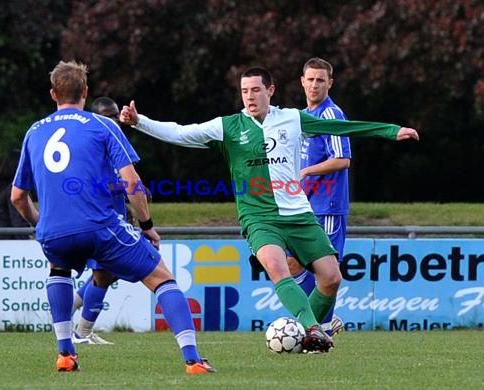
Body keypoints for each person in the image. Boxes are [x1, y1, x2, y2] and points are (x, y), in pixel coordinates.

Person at [120, 66, 419, 353]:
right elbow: (180, 133)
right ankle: (314, 329)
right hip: (258, 218)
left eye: (255, 90)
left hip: (298, 215)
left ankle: (306, 335)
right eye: (244, 91)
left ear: (270, 90)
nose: (249, 96)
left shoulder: (292, 119)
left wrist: (391, 131)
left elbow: (340, 127)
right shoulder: (228, 127)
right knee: (278, 270)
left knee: (331, 278)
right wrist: (139, 121)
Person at [11, 60, 215, 374]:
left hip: (54, 231)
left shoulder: (34, 132)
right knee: (162, 279)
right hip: (100, 226)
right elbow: (132, 183)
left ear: (53, 93)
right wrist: (147, 226)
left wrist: (41, 226)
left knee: (59, 269)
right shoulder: (102, 124)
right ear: (86, 92)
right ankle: (193, 360)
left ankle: (66, 353)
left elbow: (17, 197)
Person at [295, 57, 351, 335]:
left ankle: (322, 328)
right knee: (292, 261)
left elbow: (342, 159)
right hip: (305, 205)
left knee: (324, 271)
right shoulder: (304, 115)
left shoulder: (331, 115)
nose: (315, 85)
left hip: (327, 206)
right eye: (311, 79)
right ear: (302, 82)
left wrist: (306, 171)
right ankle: (318, 322)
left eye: (320, 80)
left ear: (330, 83)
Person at [71, 96, 131, 346]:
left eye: (115, 115)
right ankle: (82, 333)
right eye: (107, 116)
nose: (113, 120)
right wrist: (127, 186)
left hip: (116, 220)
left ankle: (66, 311)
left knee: (110, 273)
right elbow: (89, 185)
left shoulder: (114, 146)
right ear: (94, 118)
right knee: (103, 274)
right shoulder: (91, 149)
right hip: (97, 222)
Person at [0, 149, 31, 239]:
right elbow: (18, 222)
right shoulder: (13, 190)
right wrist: (27, 245)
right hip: (6, 243)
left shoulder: (0, 189)